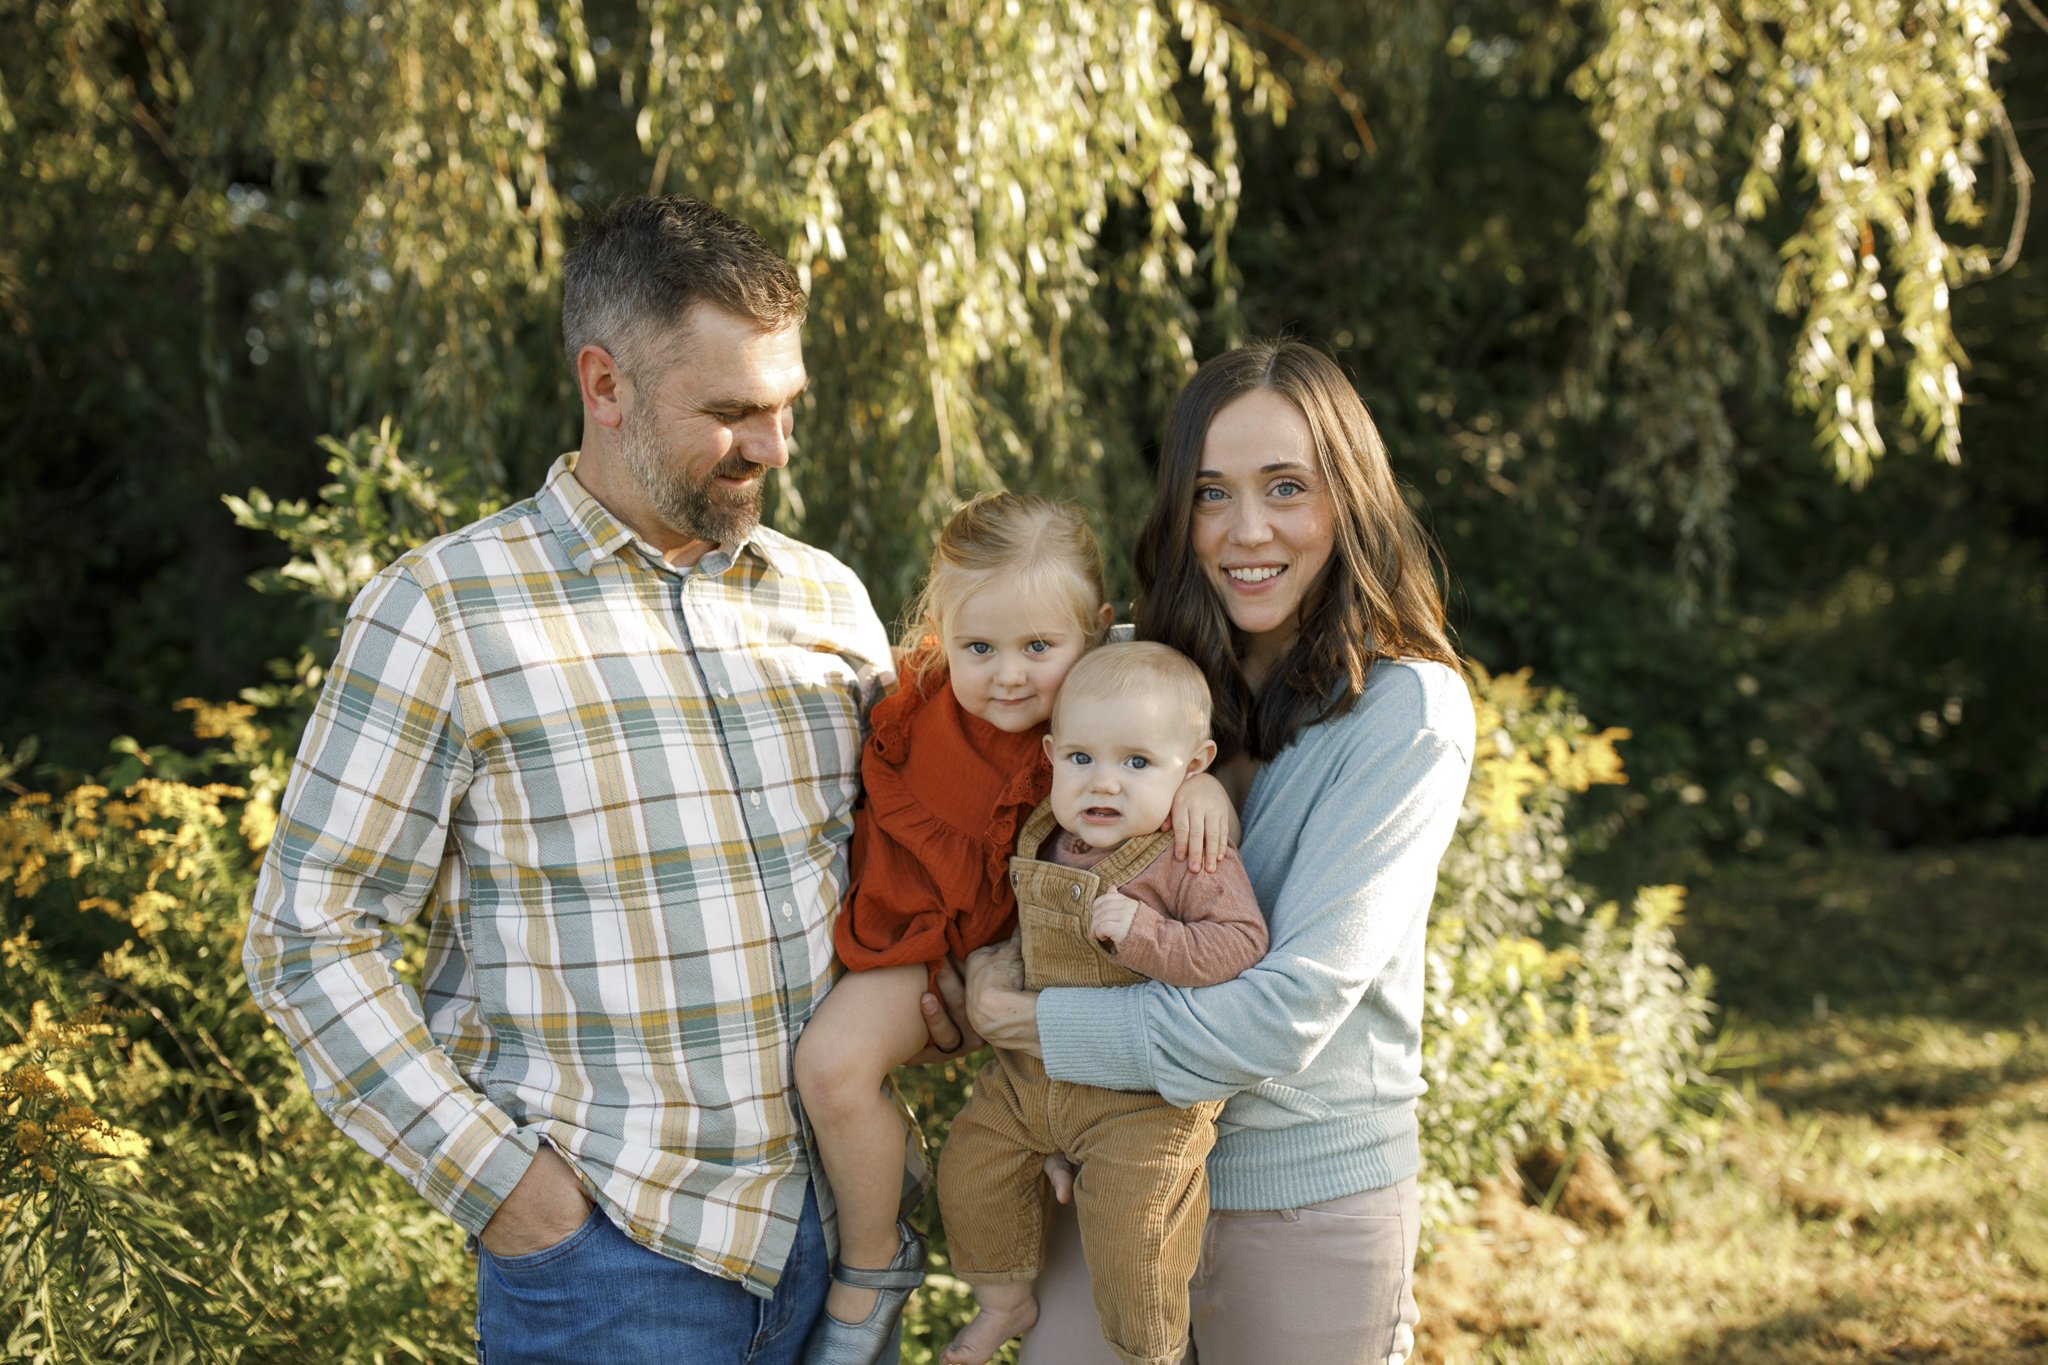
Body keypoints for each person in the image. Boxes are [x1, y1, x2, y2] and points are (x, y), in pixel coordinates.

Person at [243, 195, 943, 1364]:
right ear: (603, 385)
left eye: (783, 407)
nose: (773, 448)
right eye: (729, 413)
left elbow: (921, 859)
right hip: (614, 1270)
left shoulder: (824, 599)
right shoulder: (443, 613)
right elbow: (309, 937)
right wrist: (516, 1198)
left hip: (836, 1249)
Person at [963, 340, 1476, 1365]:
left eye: (1286, 487)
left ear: (1350, 500)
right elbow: (971, 738)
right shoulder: (1121, 675)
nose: (1247, 531)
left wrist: (1039, 1030)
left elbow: (1283, 1013)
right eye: (1211, 494)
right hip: (1105, 1165)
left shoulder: (1405, 713)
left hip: (1297, 1196)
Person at [791, 497, 1237, 1365]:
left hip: (1037, 960)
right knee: (832, 1066)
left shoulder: (1101, 722)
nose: (1007, 675)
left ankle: (1044, 1219)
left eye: (1041, 647)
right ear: (941, 635)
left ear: (1097, 632)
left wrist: (1197, 787)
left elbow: (1170, 727)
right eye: (979, 647)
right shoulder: (919, 699)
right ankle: (874, 1255)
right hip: (915, 940)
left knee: (1044, 1126)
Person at [937, 641, 1269, 1365]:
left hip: (1141, 1101)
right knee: (970, 1169)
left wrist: (1147, 933)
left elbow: (1241, 944)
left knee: (1135, 1230)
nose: (1105, 783)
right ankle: (1004, 1299)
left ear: (1193, 767)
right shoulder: (1046, 835)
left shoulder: (1187, 854)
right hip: (1034, 1078)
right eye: (1082, 758)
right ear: (1052, 754)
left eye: (1138, 763)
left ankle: (1151, 1353)